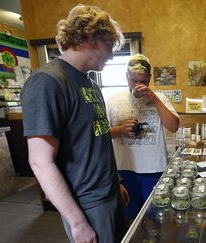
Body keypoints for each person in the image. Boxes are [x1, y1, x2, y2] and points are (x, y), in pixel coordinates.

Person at [21, 4, 129, 243]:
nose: (111, 55)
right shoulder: (47, 82)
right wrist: (77, 221)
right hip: (87, 204)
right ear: (91, 37)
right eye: (109, 46)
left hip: (109, 194)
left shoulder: (90, 84)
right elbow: (39, 161)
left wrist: (116, 182)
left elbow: (96, 140)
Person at [105, 54, 179, 219]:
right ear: (126, 76)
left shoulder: (160, 98)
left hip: (154, 169)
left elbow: (173, 126)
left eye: (143, 82)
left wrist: (154, 98)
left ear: (150, 78)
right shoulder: (112, 100)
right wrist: (119, 130)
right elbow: (100, 135)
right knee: (128, 215)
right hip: (124, 170)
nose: (137, 86)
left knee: (156, 216)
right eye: (133, 80)